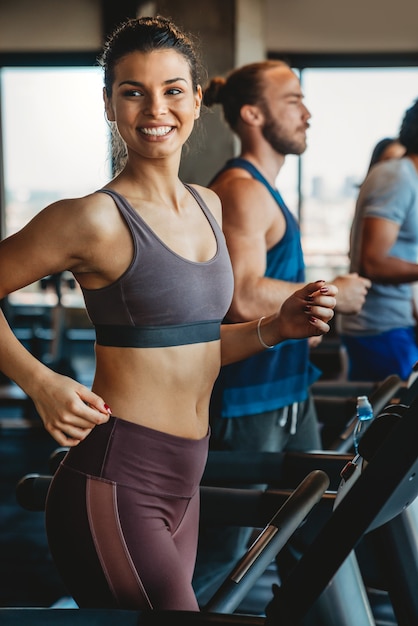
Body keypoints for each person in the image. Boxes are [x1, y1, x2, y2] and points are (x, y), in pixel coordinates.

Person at [0, 17, 337, 612]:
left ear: (197, 98)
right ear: (109, 103)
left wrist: (276, 328)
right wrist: (41, 382)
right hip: (115, 479)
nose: (155, 107)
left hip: (188, 482)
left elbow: (194, 347)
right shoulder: (92, 218)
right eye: (133, 91)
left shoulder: (207, 205)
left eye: (173, 89)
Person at [192, 60, 370, 602]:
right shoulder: (242, 189)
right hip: (251, 402)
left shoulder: (265, 189)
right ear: (252, 114)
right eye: (293, 99)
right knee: (224, 553)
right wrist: (331, 290)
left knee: (310, 538)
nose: (307, 113)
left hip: (289, 395)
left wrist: (307, 323)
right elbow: (241, 296)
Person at [340, 99, 418, 382]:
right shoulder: (397, 176)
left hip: (395, 324)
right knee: (395, 423)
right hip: (377, 327)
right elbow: (373, 263)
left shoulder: (409, 178)